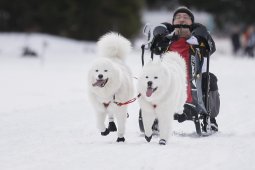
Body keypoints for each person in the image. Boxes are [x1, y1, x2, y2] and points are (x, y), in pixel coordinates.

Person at [149, 6, 220, 132]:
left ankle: (210, 118)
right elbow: (154, 46)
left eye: (186, 18)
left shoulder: (198, 39)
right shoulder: (166, 41)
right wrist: (159, 34)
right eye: (178, 17)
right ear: (173, 23)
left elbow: (211, 48)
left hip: (194, 80)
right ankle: (154, 116)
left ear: (191, 23)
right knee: (151, 78)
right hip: (169, 82)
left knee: (210, 79)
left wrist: (200, 35)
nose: (182, 20)